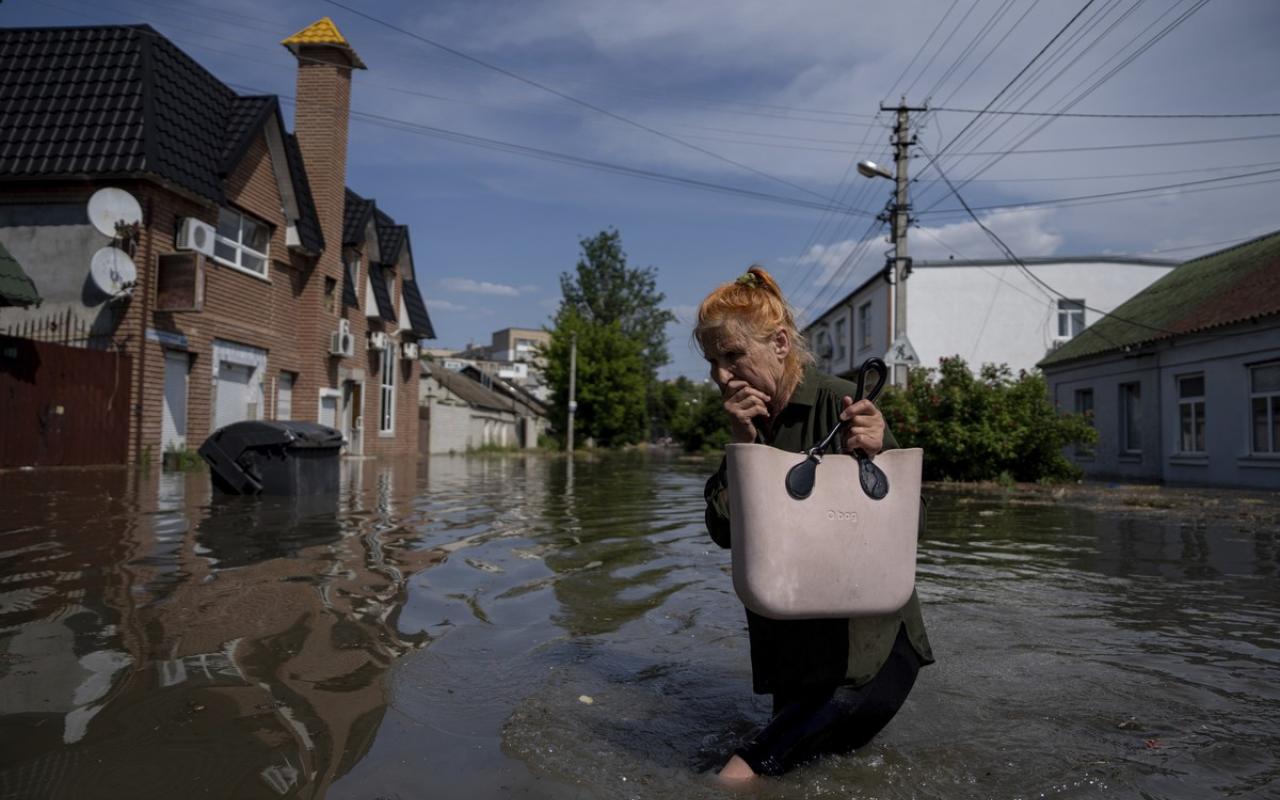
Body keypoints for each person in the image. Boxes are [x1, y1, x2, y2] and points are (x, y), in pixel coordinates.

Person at [697, 265, 934, 780]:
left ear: (780, 343)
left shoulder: (841, 402)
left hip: (865, 656)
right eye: (712, 361)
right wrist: (741, 446)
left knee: (736, 777)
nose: (720, 375)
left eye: (733, 356)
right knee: (809, 775)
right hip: (795, 656)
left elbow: (911, 527)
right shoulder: (751, 422)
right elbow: (722, 534)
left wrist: (873, 452)